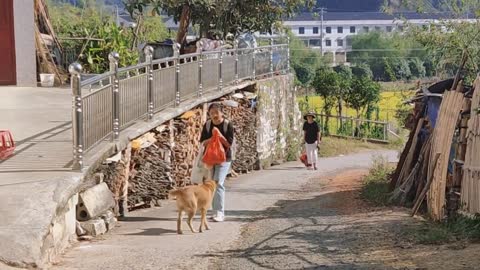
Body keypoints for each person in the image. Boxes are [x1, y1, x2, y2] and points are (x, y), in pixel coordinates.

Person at [199, 103, 234, 222]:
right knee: (211, 184)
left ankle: (220, 213)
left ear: (222, 113)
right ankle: (215, 212)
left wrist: (219, 135)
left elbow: (229, 144)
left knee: (218, 183)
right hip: (210, 158)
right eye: (212, 113)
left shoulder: (227, 125)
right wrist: (211, 138)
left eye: (216, 112)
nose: (214, 115)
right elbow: (203, 142)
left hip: (224, 159)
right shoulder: (208, 125)